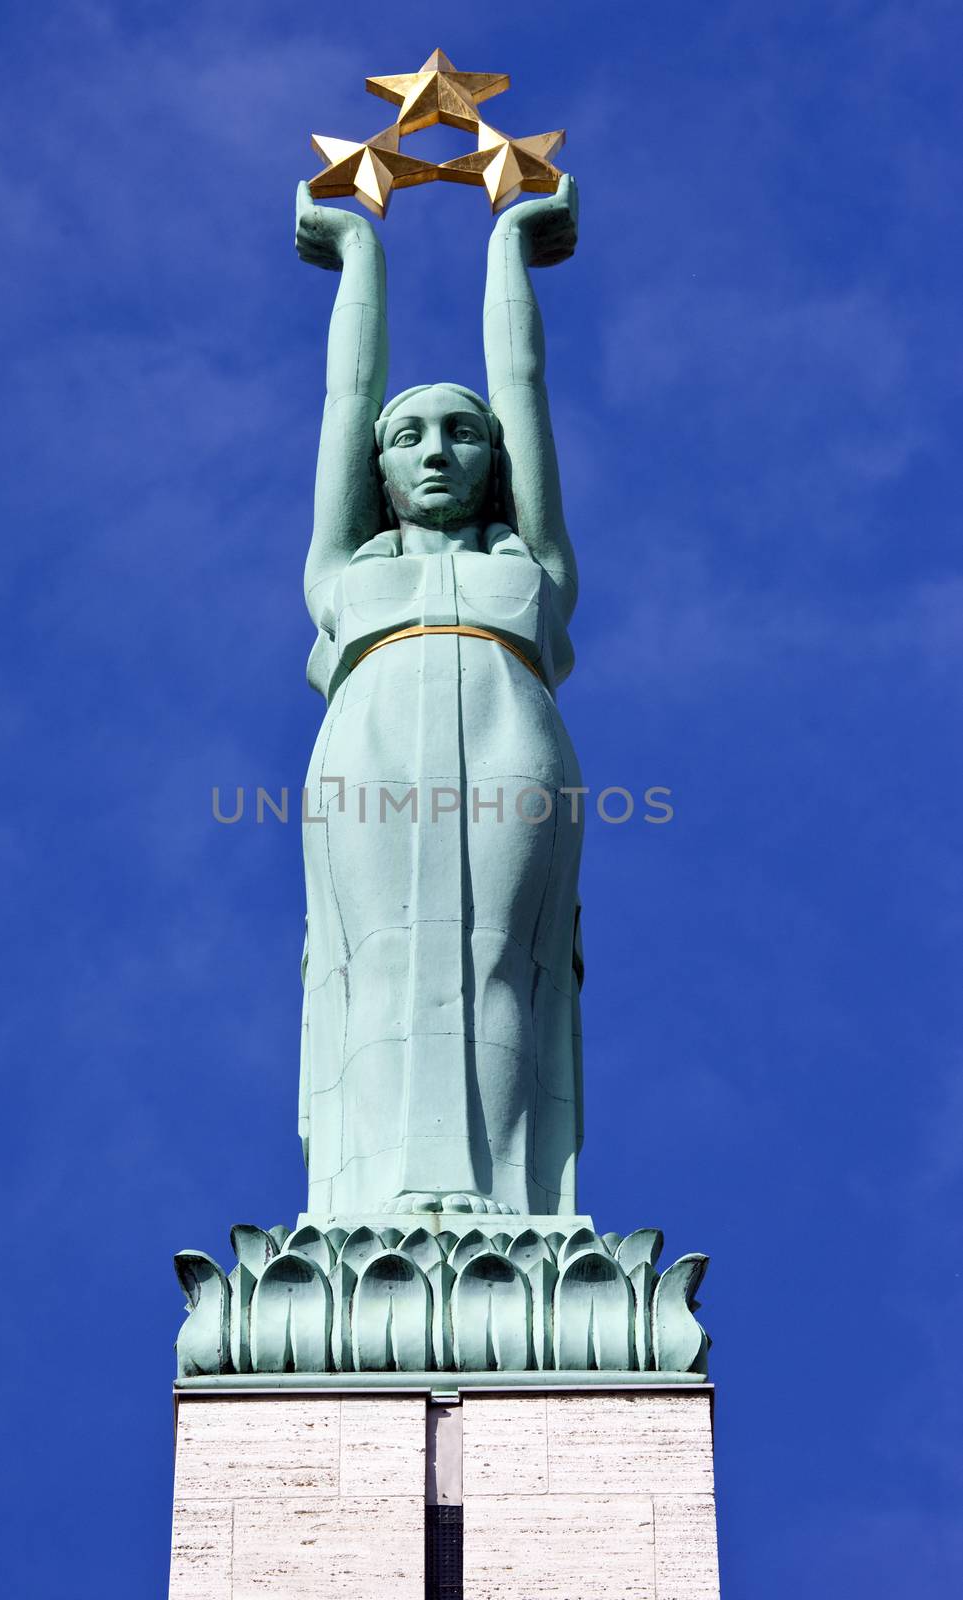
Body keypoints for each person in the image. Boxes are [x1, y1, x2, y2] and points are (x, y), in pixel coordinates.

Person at [295, 175, 584, 1217]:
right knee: (381, 959)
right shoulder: (342, 575)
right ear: (378, 465)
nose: (433, 451)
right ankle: (378, 1199)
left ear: (491, 460)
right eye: (407, 435)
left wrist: (510, 247)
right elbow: (342, 402)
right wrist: (355, 258)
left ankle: (498, 1204)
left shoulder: (534, 570)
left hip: (511, 732)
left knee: (497, 958)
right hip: (367, 738)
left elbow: (524, 385)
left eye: (460, 434)